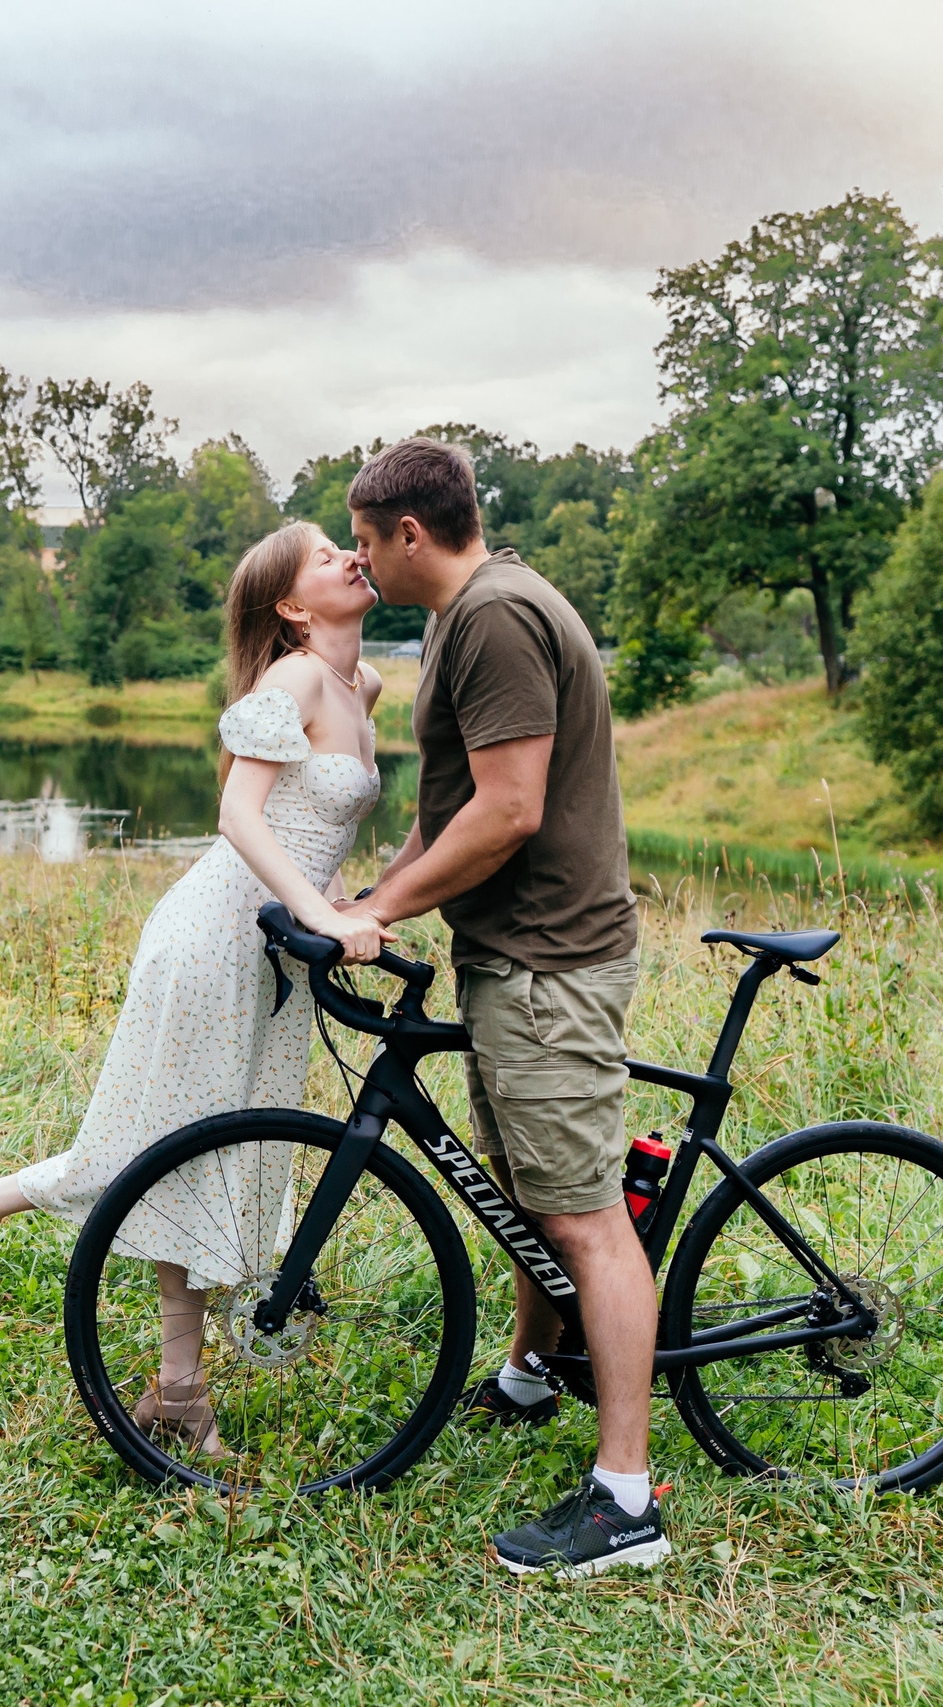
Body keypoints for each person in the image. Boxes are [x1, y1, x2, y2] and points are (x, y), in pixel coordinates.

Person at [0, 520, 395, 1455]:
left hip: (277, 949)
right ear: (290, 605)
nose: (351, 558)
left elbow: (313, 824)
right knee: (154, 1154)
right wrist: (321, 915)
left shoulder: (365, 685)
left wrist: (345, 902)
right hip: (214, 938)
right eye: (327, 555)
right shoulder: (296, 679)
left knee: (207, 1159)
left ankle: (177, 1389)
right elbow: (239, 813)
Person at [335, 437, 665, 1578]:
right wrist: (372, 901)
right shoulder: (462, 615)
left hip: (549, 965)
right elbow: (453, 808)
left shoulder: (494, 618)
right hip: (511, 957)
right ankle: (532, 1374)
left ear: (409, 533)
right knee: (529, 1184)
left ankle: (626, 1504)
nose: (359, 561)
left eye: (366, 540)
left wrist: (384, 907)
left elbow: (512, 810)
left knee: (581, 1216)